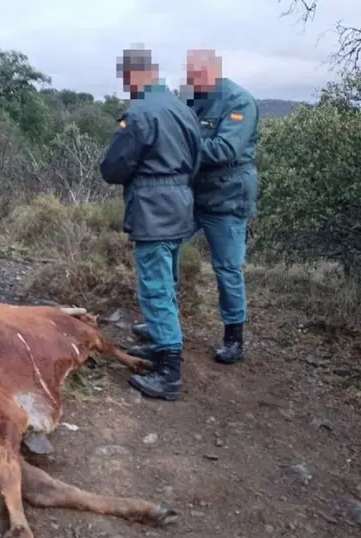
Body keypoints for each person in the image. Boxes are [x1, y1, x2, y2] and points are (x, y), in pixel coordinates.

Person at [130, 49, 259, 365]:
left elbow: (224, 149)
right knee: (167, 250)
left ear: (213, 71)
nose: (189, 80)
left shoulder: (239, 101)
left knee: (227, 268)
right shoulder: (189, 97)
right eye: (188, 73)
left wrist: (174, 148)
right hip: (190, 196)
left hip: (227, 199)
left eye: (195, 74)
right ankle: (163, 324)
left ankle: (233, 337)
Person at [99, 46, 201, 401]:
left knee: (155, 287)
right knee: (167, 283)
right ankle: (161, 346)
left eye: (125, 80)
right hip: (181, 207)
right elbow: (197, 160)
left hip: (153, 210)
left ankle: (168, 372)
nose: (126, 87)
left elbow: (112, 167)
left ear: (134, 75)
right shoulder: (183, 110)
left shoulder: (141, 113)